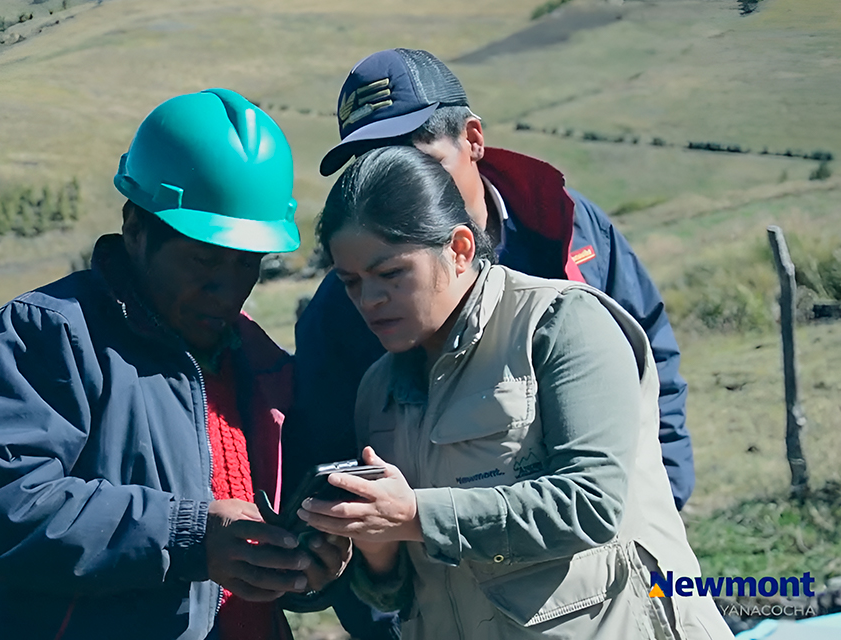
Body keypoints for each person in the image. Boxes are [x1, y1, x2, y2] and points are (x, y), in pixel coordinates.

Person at [0, 89, 350, 640]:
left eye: (248, 263)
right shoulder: (46, 336)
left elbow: (263, 549)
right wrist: (187, 537)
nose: (227, 288)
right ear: (136, 227)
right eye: (203, 258)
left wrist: (307, 570)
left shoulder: (259, 362)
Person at [298, 146, 732, 640]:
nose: (370, 300)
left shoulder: (561, 324)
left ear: (460, 249)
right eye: (351, 283)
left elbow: (590, 505)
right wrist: (377, 545)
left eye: (391, 274)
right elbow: (397, 594)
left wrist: (416, 516)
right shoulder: (377, 391)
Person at [284, 50, 693, 539]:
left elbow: (649, 356)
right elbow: (337, 459)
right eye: (377, 166)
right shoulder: (343, 306)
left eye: (419, 159)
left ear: (472, 139)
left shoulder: (567, 230)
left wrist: (664, 490)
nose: (406, 183)